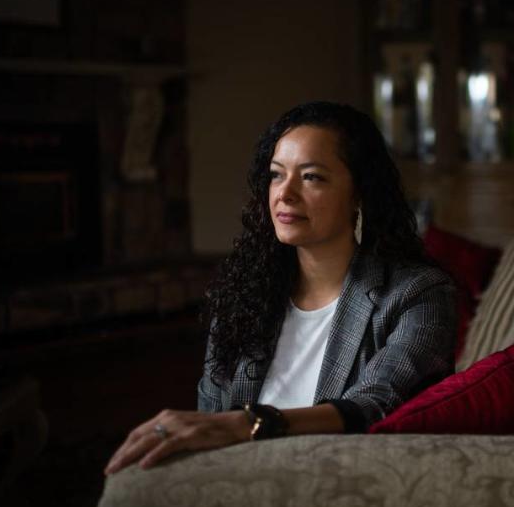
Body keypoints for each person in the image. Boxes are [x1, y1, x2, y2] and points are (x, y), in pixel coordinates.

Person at [104, 101, 456, 475]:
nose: (284, 194)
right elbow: (210, 412)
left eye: (311, 177)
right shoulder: (246, 294)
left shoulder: (420, 294)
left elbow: (377, 405)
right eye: (276, 175)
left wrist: (249, 423)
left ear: (358, 194)